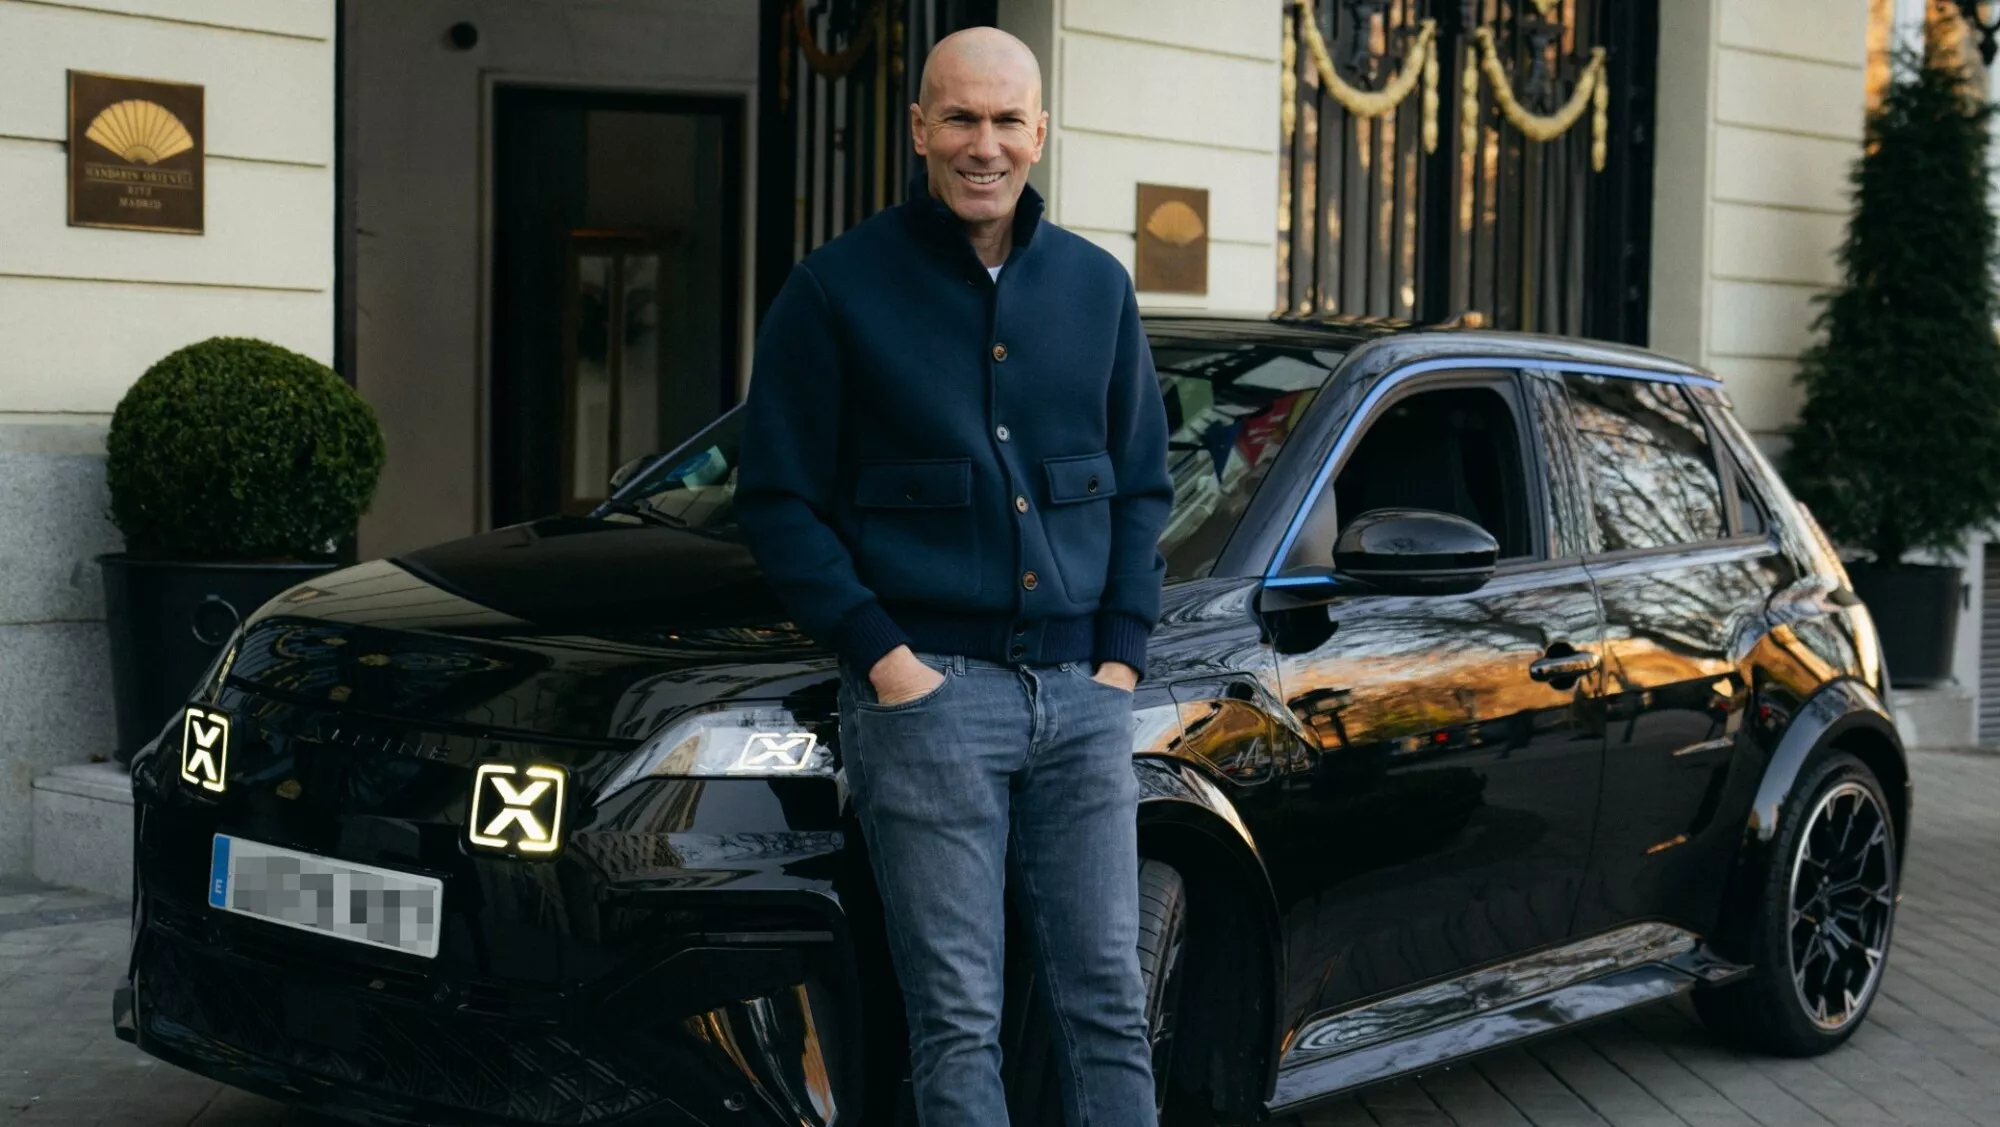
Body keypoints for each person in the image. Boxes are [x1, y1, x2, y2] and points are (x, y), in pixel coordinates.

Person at [732, 24, 1174, 1127]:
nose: (985, 144)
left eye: (1006, 120)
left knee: (1108, 1001)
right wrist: (885, 661)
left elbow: (1140, 486)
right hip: (926, 698)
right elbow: (777, 499)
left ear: (1040, 132)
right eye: (961, 118)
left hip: (1082, 699)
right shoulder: (834, 291)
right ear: (920, 127)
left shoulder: (1096, 287)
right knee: (955, 1014)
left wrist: (1120, 657)